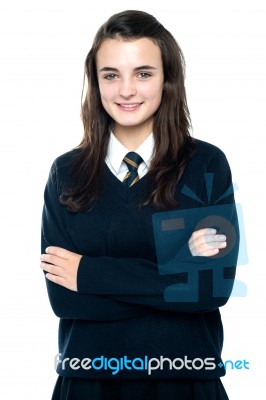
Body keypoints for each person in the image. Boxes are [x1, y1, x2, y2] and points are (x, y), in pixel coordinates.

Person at [40, 10, 239, 400]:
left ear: (167, 81)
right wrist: (172, 271)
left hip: (185, 381)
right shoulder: (67, 172)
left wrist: (90, 274)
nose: (126, 90)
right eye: (111, 75)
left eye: (143, 74)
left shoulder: (205, 166)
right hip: (87, 383)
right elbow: (63, 298)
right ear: (95, 83)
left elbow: (209, 289)